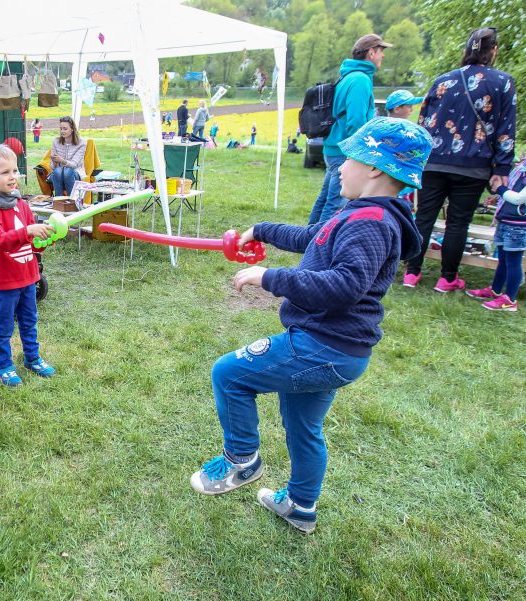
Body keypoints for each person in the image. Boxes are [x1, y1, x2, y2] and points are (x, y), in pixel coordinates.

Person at [191, 116, 431, 534]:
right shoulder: (361, 214)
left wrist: (270, 278)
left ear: (374, 168)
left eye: (348, 158)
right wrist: (260, 230)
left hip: (324, 346)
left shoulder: (370, 223)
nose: (338, 167)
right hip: (338, 350)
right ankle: (301, 506)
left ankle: (241, 461)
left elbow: (344, 286)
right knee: (303, 425)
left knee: (229, 374)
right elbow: (312, 238)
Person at [402, 28, 517, 292]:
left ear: (467, 51)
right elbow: (506, 129)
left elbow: (424, 123)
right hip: (473, 165)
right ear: (494, 51)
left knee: (424, 217)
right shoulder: (502, 82)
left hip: (434, 161)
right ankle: (447, 278)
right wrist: (502, 167)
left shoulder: (443, 81)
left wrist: (418, 159)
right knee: (458, 221)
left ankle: (412, 272)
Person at [0, 145, 55, 387]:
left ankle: (32, 357)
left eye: (14, 170)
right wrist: (26, 231)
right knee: (4, 326)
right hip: (4, 280)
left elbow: (32, 242)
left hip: (28, 276)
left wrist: (45, 239)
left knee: (29, 320)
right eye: (5, 172)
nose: (12, 176)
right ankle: (4, 367)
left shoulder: (22, 204)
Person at [307, 34, 391, 225]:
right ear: (371, 52)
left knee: (325, 199)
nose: (383, 56)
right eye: (381, 51)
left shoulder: (348, 76)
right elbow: (356, 121)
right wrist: (359, 154)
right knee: (336, 203)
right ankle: (320, 245)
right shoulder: (360, 80)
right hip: (345, 150)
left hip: (334, 146)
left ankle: (308, 240)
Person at [465, 158, 526, 311]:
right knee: (503, 259)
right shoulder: (520, 169)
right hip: (505, 221)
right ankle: (496, 291)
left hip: (518, 226)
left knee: (513, 262)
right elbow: (512, 189)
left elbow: (519, 199)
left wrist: (500, 189)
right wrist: (497, 198)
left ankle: (510, 300)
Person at [48, 116, 85, 196]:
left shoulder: (81, 143)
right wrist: (54, 162)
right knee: (57, 171)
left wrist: (62, 161)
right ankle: (59, 200)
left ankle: (71, 200)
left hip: (75, 172)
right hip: (59, 173)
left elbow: (74, 165)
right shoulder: (56, 141)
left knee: (67, 171)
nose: (62, 131)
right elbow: (52, 167)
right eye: (61, 128)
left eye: (65, 129)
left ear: (72, 129)